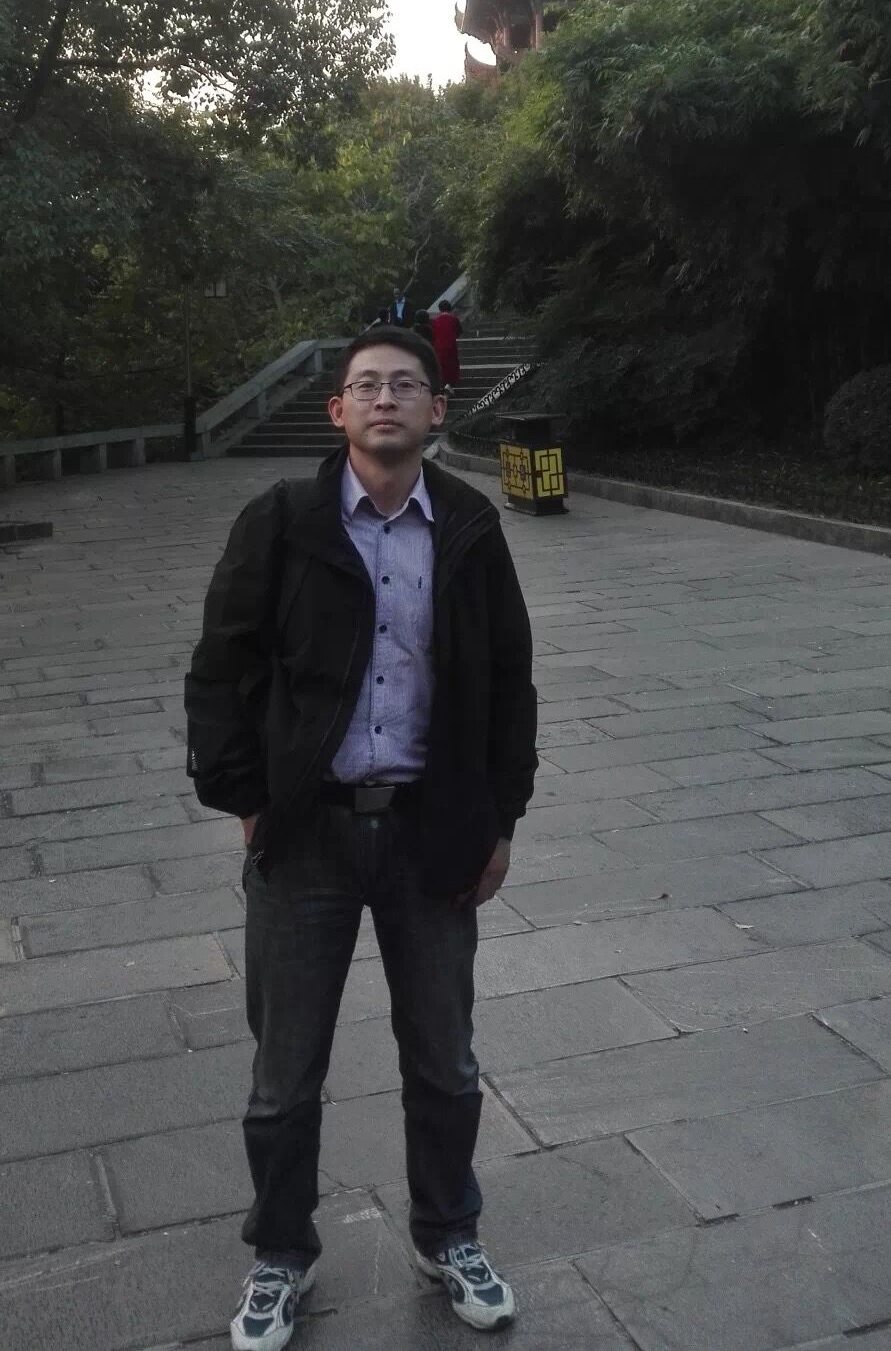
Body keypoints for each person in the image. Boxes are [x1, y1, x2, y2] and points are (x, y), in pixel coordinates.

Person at [185, 326, 538, 1349]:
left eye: (406, 385)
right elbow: (221, 667)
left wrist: (499, 819)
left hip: (432, 833)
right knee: (284, 1076)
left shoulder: (469, 525)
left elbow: (507, 681)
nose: (387, 398)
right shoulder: (283, 520)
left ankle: (449, 1231)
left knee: (446, 1061)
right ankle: (280, 1254)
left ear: (436, 411)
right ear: (338, 410)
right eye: (367, 385)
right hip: (307, 839)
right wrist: (246, 797)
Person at [430, 298, 463, 392]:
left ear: (440, 309)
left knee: (442, 365)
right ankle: (450, 385)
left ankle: (442, 384)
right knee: (452, 364)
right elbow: (459, 332)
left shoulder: (436, 320)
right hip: (451, 345)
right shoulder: (454, 319)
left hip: (439, 346)